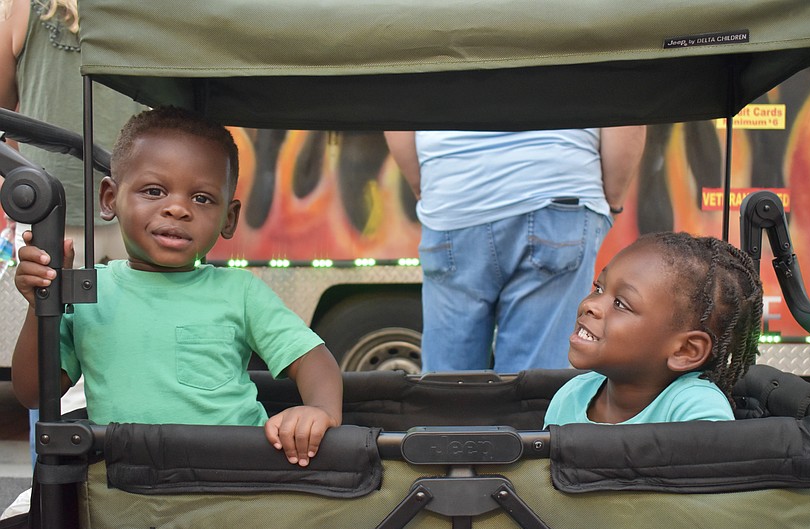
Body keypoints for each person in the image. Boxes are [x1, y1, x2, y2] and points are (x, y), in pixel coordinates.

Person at [12, 106, 343, 466]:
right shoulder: (89, 291)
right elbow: (33, 392)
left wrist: (320, 411)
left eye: (201, 198)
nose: (177, 209)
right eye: (154, 191)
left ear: (227, 219)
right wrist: (40, 303)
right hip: (130, 495)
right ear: (110, 199)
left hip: (237, 482)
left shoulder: (239, 291)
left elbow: (313, 359)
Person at [1, 0, 146, 465]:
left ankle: (58, 478)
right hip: (139, 201)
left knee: (54, 344)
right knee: (137, 342)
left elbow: (4, 113)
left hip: (51, 203)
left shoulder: (21, 10)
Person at [384, 128, 646, 373]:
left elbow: (397, 115)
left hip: (453, 198)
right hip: (558, 194)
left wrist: (431, 191)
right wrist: (613, 202)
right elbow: (625, 118)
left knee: (448, 383)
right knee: (533, 383)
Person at [544, 231, 763, 426]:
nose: (590, 305)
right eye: (599, 288)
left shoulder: (695, 407)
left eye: (620, 303)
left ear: (686, 350)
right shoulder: (571, 396)